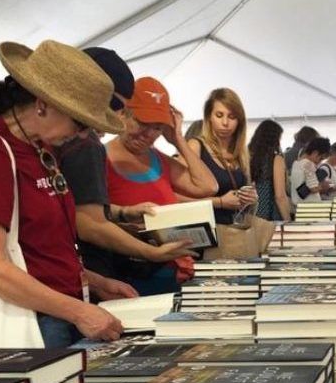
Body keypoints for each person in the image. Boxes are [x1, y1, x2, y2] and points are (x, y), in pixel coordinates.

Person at [0, 39, 128, 347]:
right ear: (43, 104)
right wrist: (78, 311)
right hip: (34, 321)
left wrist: (95, 281)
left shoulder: (40, 147)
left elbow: (41, 246)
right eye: (80, 122)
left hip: (61, 312)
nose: (84, 134)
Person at [57, 49, 192, 296]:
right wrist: (151, 252)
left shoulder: (78, 143)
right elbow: (90, 223)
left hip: (85, 271)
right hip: (89, 270)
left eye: (157, 128)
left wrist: (123, 212)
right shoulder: (85, 145)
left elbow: (81, 208)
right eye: (141, 123)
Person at [106, 77, 218, 295]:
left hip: (170, 269)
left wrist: (178, 139)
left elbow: (207, 186)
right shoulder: (101, 157)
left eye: (157, 127)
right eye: (142, 123)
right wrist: (125, 214)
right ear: (122, 114)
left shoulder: (157, 158)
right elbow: (90, 217)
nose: (148, 134)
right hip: (127, 272)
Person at [186, 88, 257, 225]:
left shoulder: (240, 153)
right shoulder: (196, 146)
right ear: (209, 117)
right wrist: (219, 202)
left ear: (239, 121)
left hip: (233, 230)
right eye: (219, 115)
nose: (225, 123)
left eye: (232, 117)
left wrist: (250, 199)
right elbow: (178, 198)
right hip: (204, 230)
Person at [248, 119, 290, 221]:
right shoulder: (275, 159)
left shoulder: (247, 156)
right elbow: (280, 196)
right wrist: (288, 220)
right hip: (269, 216)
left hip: (249, 214)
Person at [290, 137, 331, 205]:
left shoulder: (296, 163)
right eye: (321, 158)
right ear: (315, 153)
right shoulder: (309, 164)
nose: (319, 162)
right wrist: (323, 186)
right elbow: (313, 188)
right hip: (310, 206)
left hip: (298, 204)